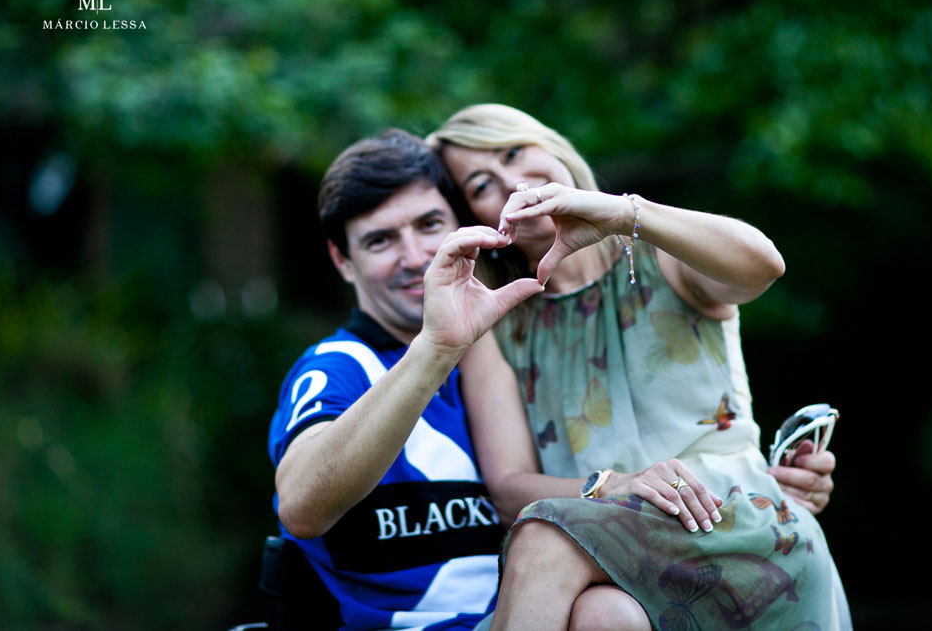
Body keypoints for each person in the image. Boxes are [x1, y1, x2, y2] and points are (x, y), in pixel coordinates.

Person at [426, 104, 851, 630]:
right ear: (478, 217)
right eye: (482, 185)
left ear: (553, 147)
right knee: (603, 616)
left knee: (542, 538)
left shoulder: (658, 255)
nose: (515, 182)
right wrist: (611, 485)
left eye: (514, 152)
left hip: (733, 524)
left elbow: (764, 266)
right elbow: (508, 488)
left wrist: (624, 213)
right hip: (607, 558)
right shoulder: (500, 322)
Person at [267, 129, 544, 630]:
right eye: (380, 240)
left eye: (429, 224)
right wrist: (435, 349)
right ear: (342, 261)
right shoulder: (337, 367)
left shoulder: (500, 355)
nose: (415, 257)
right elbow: (300, 508)